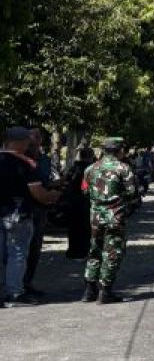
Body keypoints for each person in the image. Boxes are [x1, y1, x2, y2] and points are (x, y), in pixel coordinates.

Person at [1, 127, 60, 307]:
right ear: (20, 142)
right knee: (17, 254)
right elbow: (37, 192)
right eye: (27, 141)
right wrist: (52, 196)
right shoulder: (25, 163)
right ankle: (14, 294)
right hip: (18, 215)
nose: (29, 144)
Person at [82, 137, 139, 304]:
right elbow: (132, 193)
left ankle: (89, 290)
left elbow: (84, 191)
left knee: (94, 250)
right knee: (112, 252)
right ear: (120, 150)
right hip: (115, 217)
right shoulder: (124, 169)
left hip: (95, 217)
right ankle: (105, 291)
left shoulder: (90, 168)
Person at [21, 126, 54, 296]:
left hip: (40, 210)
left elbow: (46, 182)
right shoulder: (19, 160)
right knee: (19, 250)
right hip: (21, 209)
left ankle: (27, 282)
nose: (34, 143)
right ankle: (16, 286)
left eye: (38, 139)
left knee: (35, 248)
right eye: (31, 141)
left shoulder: (45, 160)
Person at [62, 146, 96, 259]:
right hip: (84, 202)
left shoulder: (73, 168)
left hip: (71, 201)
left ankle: (72, 250)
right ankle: (83, 251)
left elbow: (66, 182)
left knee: (73, 227)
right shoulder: (90, 169)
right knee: (85, 228)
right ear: (90, 157)